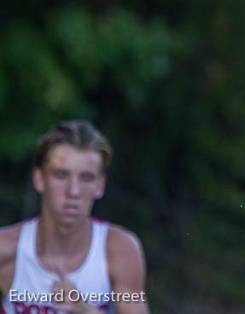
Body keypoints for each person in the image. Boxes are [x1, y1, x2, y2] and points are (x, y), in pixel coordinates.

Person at [0, 121, 149, 314]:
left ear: (100, 185)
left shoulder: (120, 251)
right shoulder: (6, 249)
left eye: (86, 178)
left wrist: (86, 311)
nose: (74, 191)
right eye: (61, 175)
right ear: (39, 179)